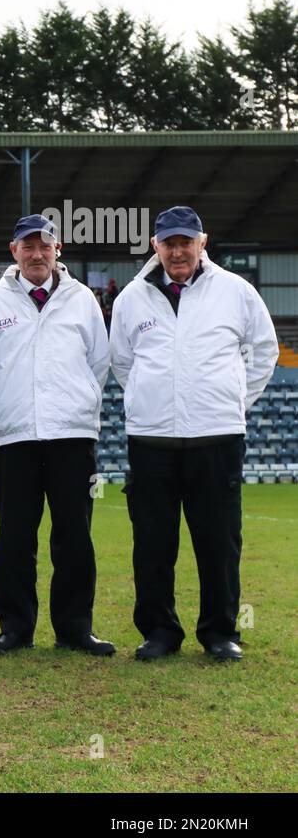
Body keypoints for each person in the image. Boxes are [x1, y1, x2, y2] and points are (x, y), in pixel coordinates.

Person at [110, 206, 278, 662]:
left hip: (217, 437)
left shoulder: (236, 292)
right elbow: (123, 362)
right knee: (152, 543)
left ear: (203, 242)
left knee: (219, 540)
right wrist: (151, 400)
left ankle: (220, 633)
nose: (178, 250)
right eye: (170, 242)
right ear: (155, 246)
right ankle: (160, 632)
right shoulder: (131, 298)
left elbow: (264, 350)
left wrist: (232, 401)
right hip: (151, 440)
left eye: (187, 241)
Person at [0, 214, 115, 657]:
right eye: (27, 246)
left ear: (57, 249)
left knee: (74, 535)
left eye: (44, 245)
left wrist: (76, 400)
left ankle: (74, 629)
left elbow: (98, 365)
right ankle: (15, 629)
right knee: (15, 536)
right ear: (14, 252)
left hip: (72, 436)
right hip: (16, 438)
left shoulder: (82, 299)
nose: (37, 253)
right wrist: (2, 405)